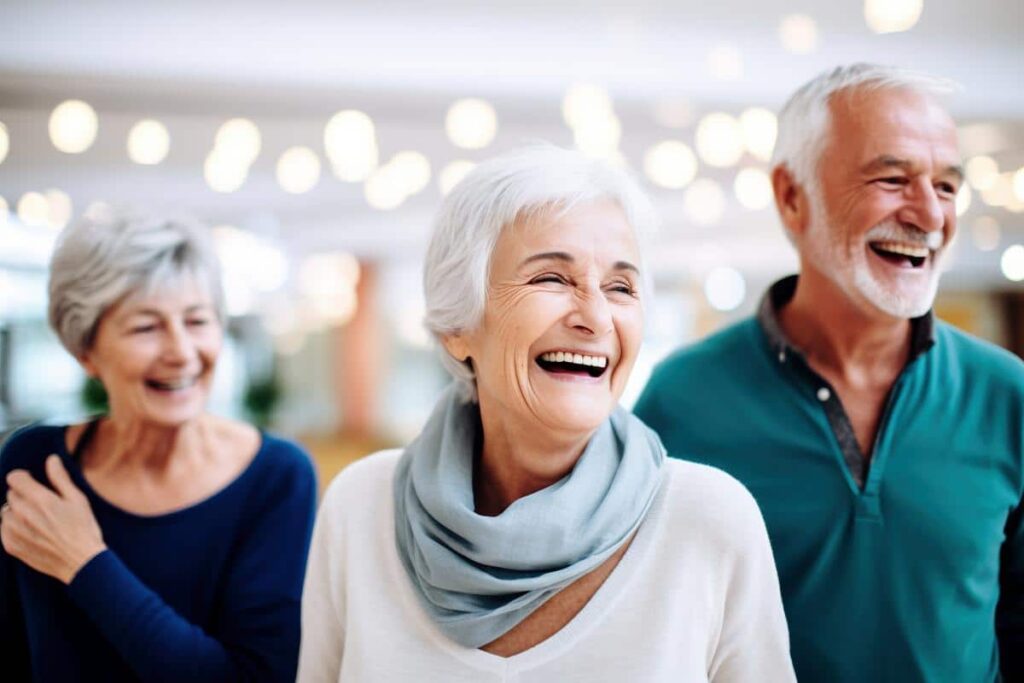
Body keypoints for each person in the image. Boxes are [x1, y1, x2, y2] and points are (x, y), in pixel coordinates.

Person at [297, 145, 795, 682]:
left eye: (620, 287)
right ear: (457, 326)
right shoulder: (361, 504)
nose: (596, 317)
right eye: (551, 279)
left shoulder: (708, 519)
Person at [635, 63, 1024, 682]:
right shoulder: (679, 402)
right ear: (793, 197)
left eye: (947, 187)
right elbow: (650, 630)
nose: (929, 215)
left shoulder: (1010, 398)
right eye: (892, 179)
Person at [0, 209, 318, 682]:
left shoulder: (277, 477)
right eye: (146, 327)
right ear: (86, 351)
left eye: (197, 321)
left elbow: (252, 678)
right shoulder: (34, 466)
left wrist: (86, 563)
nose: (182, 352)